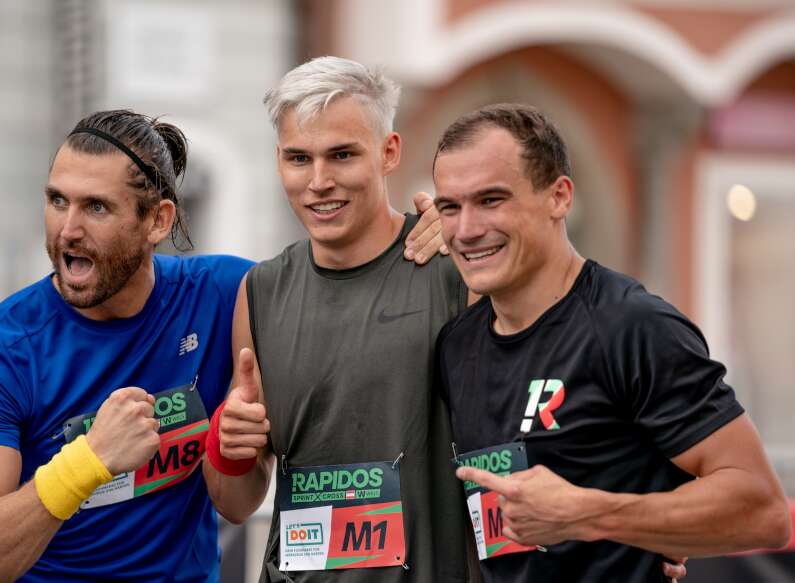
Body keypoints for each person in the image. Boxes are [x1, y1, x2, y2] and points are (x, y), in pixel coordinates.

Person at [432, 103, 791, 582]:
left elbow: (762, 512)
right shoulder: (457, 345)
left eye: (492, 200)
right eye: (449, 207)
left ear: (559, 197)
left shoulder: (632, 326)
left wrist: (590, 515)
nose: (467, 229)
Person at [0, 110, 253, 582]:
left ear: (157, 221)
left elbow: (334, 269)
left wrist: (406, 237)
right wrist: (88, 462)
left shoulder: (223, 293)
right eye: (58, 201)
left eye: (96, 207)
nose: (68, 230)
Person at [202, 56, 478, 582]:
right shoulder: (261, 290)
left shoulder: (451, 267)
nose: (319, 181)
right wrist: (231, 446)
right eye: (299, 158)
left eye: (343, 155)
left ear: (389, 152)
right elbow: (238, 503)